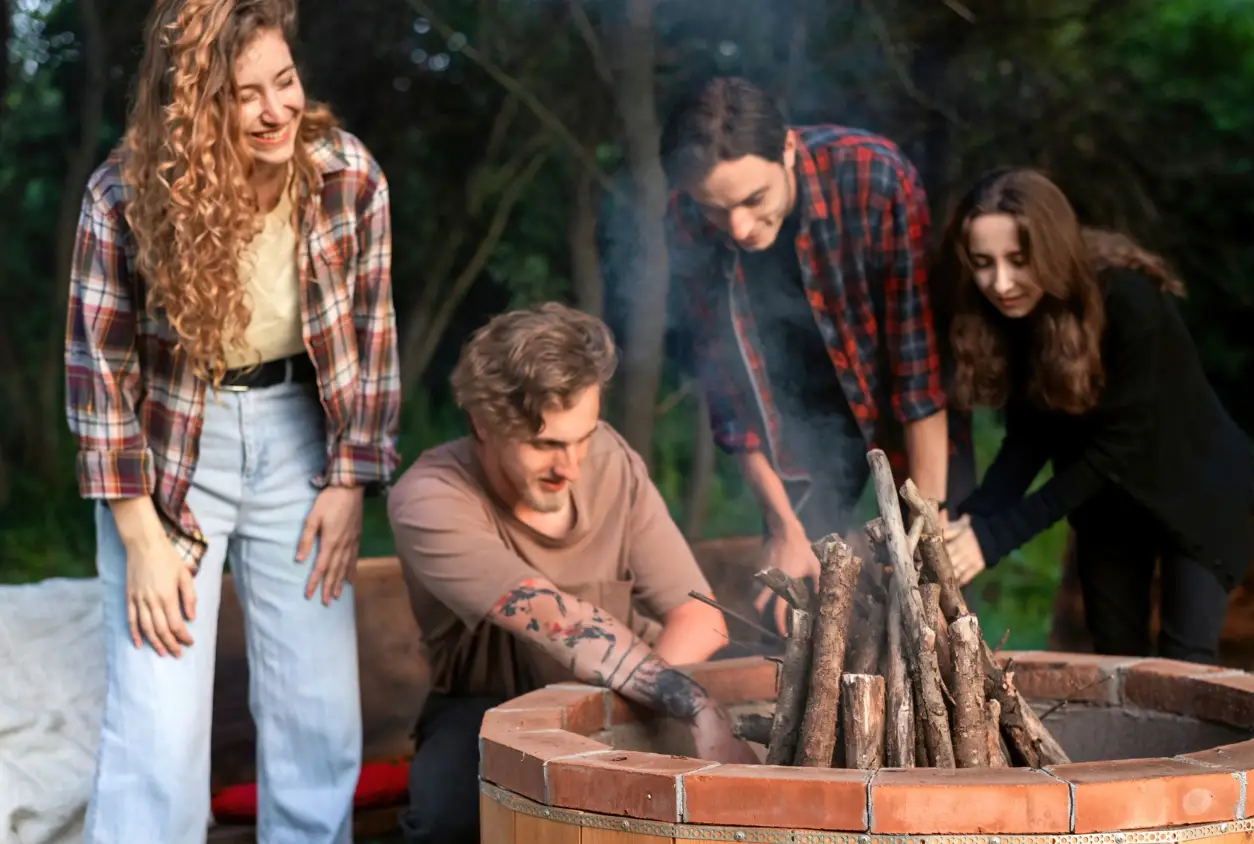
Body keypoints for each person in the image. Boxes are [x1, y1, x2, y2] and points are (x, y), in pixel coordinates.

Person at [63, 0, 400, 841]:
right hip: (174, 452)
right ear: (194, 108)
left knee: (317, 716)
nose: (276, 108)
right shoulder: (124, 197)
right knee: (158, 725)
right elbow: (98, 374)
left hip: (302, 441)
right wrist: (140, 535)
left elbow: (373, 331)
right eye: (245, 95)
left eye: (284, 81)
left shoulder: (347, 175)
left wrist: (352, 479)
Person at [386, 303, 754, 844]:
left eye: (583, 436)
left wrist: (631, 711)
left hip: (634, 686)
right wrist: (697, 706)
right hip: (488, 709)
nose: (572, 466)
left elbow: (700, 615)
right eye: (546, 445)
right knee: (450, 817)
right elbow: (561, 623)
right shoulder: (429, 499)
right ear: (482, 426)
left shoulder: (611, 460)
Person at [659, 75, 977, 618]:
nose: (736, 227)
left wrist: (927, 524)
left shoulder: (874, 178)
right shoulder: (688, 218)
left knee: (923, 607)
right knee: (801, 614)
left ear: (786, 146)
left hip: (901, 424)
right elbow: (730, 400)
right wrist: (785, 527)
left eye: (753, 199)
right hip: (796, 440)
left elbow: (918, 373)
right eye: (716, 209)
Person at [938, 168, 1254, 664]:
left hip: (1196, 492)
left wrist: (995, 538)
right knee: (1115, 663)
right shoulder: (1015, 314)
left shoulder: (1130, 302)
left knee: (1184, 667)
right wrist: (969, 520)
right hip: (1106, 502)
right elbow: (1029, 441)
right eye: (983, 263)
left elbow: (1116, 449)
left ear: (1049, 249)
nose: (1000, 284)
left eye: (1018, 261)